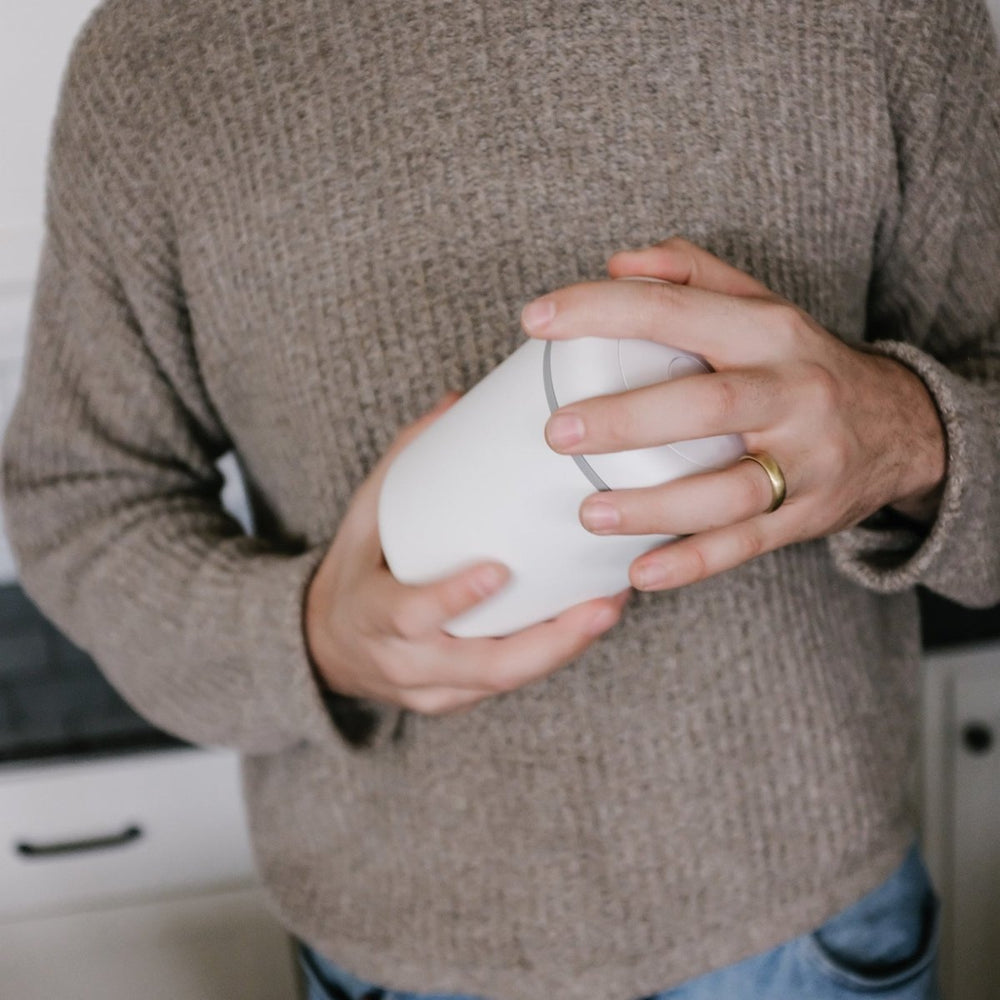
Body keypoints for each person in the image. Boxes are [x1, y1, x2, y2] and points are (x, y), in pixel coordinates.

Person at [3, 0, 998, 997]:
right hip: (397, 952)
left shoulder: (882, 14)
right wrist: (307, 635)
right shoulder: (163, 58)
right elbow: (81, 496)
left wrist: (907, 431)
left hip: (804, 932)